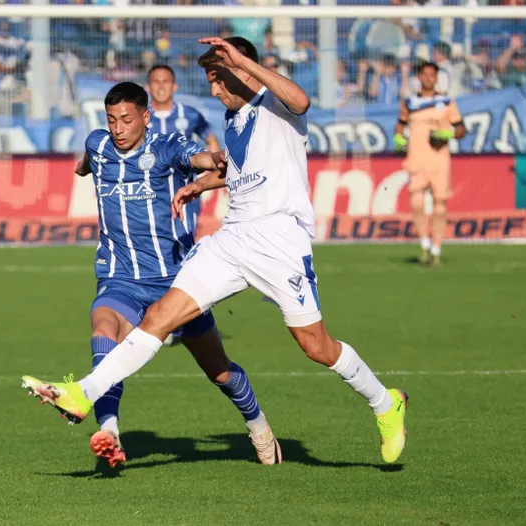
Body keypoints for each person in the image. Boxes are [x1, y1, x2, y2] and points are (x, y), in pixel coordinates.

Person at [22, 37, 409, 465]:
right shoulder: (234, 116)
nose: (213, 89)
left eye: (218, 78)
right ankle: (84, 395)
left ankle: (384, 402)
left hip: (279, 241)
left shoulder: (275, 105)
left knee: (316, 346)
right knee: (159, 317)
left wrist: (244, 63)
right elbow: (245, 173)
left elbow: (302, 100)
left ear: (242, 71)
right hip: (233, 238)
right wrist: (202, 184)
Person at [24, 81, 281, 467]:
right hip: (120, 276)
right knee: (103, 331)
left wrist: (215, 161)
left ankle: (259, 427)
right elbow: (87, 159)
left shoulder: (164, 147)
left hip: (175, 282)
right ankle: (108, 432)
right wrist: (83, 166)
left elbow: (196, 157)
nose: (118, 128)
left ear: (145, 117)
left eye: (127, 119)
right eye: (112, 120)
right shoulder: (98, 144)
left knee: (221, 372)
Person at [394, 61, 466, 266]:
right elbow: (400, 124)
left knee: (440, 205)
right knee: (416, 203)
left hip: (439, 160)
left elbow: (461, 129)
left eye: (432, 75)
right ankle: (424, 244)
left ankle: (436, 248)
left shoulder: (446, 103)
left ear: (436, 78)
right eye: (424, 75)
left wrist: (447, 133)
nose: (428, 78)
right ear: (419, 77)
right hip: (417, 159)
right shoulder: (409, 104)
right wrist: (398, 138)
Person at [146, 64, 220, 232]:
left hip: (184, 190)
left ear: (174, 86)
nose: (161, 86)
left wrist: (208, 174)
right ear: (148, 87)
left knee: (184, 242)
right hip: (149, 192)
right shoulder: (140, 116)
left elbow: (212, 141)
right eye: (156, 82)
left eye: (166, 81)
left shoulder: (190, 115)